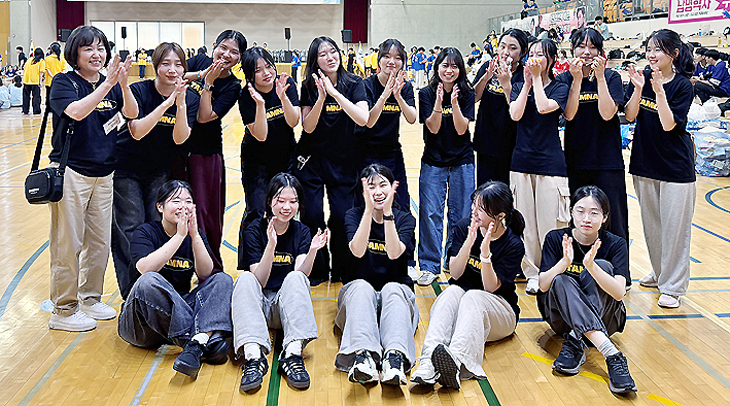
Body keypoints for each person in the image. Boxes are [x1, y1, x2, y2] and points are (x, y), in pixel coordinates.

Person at [47, 25, 138, 332]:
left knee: (99, 241)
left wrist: (122, 84)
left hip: (104, 173)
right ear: (75, 53)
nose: (96, 54)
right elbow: (75, 112)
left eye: (100, 48)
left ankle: (89, 297)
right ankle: (63, 309)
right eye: (88, 48)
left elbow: (131, 113)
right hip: (72, 172)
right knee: (68, 243)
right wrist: (107, 84)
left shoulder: (111, 84)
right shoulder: (64, 82)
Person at [411, 181, 525, 389]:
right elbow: (455, 273)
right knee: (450, 292)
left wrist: (485, 255)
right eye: (474, 204)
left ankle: (455, 362)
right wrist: (469, 242)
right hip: (465, 306)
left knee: (473, 296)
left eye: (481, 208)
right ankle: (428, 362)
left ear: (499, 215)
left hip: (501, 311)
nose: (474, 210)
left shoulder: (513, 244)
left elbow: (490, 288)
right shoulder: (464, 227)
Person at [118, 180, 233, 379]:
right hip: (142, 321)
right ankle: (205, 338)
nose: (183, 206)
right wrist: (179, 237)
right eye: (176, 200)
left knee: (222, 280)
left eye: (188, 201)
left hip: (178, 313)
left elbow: (205, 272)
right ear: (160, 207)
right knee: (149, 281)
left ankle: (195, 345)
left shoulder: (194, 235)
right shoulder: (145, 232)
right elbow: (145, 269)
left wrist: (194, 235)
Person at [112, 42, 201, 299]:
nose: (172, 70)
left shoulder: (190, 97)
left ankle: (154, 289)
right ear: (155, 66)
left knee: (156, 226)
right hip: (126, 167)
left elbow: (180, 138)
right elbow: (137, 131)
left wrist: (180, 105)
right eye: (166, 64)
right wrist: (165, 104)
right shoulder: (140, 90)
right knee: (130, 228)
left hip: (159, 170)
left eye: (178, 64)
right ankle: (132, 292)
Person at [537, 185, 637, 394]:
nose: (586, 219)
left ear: (605, 217)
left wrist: (592, 267)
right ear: (571, 212)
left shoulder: (616, 244)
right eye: (580, 211)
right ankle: (611, 354)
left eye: (594, 213)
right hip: (562, 320)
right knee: (560, 280)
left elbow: (619, 293)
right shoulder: (556, 239)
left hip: (606, 319)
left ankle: (575, 339)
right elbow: (543, 285)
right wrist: (564, 263)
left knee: (604, 267)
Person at [233, 173, 328, 391]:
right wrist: (271, 246)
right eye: (281, 200)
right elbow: (260, 279)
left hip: (284, 311)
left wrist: (313, 251)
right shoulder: (254, 230)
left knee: (296, 277)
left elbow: (301, 275)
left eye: (293, 201)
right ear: (269, 201)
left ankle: (292, 354)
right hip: (257, 311)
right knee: (245, 278)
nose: (287, 207)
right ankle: (253, 357)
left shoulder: (302, 231)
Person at [624, 29, 695, 308]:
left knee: (675, 230)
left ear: (674, 54)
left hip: (676, 168)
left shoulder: (683, 86)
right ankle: (660, 272)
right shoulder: (643, 77)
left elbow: (668, 124)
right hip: (644, 162)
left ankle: (673, 287)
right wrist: (638, 88)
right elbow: (630, 115)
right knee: (652, 226)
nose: (651, 55)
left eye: (658, 49)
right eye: (649, 49)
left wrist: (658, 92)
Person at [293, 36, 368, 285]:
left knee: (342, 216)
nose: (330, 57)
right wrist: (322, 98)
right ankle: (317, 269)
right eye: (323, 54)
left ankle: (341, 269)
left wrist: (335, 93)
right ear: (315, 61)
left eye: (333, 51)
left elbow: (363, 118)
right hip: (312, 161)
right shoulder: (308, 86)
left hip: (343, 161)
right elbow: (308, 126)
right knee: (313, 215)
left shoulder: (354, 83)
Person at [337, 164, 417, 386]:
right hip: (359, 298)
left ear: (393, 188)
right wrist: (369, 211)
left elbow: (394, 253)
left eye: (383, 185)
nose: (378, 191)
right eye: (371, 186)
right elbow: (357, 250)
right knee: (362, 286)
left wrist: (387, 215)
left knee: (392, 288)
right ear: (363, 191)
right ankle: (364, 357)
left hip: (396, 296)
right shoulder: (353, 215)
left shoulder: (405, 219)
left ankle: (394, 359)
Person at [176, 30, 247, 271]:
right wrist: (201, 74)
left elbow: (205, 116)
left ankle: (210, 270)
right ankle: (178, 268)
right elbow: (174, 77)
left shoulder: (233, 86)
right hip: (176, 147)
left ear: (239, 58)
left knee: (206, 213)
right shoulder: (198, 61)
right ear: (214, 45)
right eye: (223, 48)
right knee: (175, 209)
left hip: (205, 153)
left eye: (234, 52)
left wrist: (207, 84)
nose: (226, 55)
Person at [558, 28, 629, 254]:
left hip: (608, 161)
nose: (587, 52)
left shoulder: (611, 77)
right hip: (576, 160)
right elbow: (568, 114)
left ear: (600, 51)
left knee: (614, 219)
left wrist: (599, 77)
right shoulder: (565, 79)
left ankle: (619, 268)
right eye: (581, 47)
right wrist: (577, 80)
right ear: (573, 50)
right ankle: (578, 263)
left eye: (592, 47)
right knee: (579, 219)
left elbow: (608, 113)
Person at [509, 38, 570, 295]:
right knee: (525, 224)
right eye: (532, 53)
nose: (535, 57)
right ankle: (532, 273)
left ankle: (551, 273)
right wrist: (527, 83)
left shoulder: (560, 86)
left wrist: (536, 79)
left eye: (541, 54)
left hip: (550, 164)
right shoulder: (518, 86)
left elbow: (545, 107)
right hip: (521, 162)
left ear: (551, 60)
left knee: (550, 223)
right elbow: (515, 114)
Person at [417, 47, 475, 286]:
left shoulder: (467, 93)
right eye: (445, 65)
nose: (449, 70)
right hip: (433, 161)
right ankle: (429, 265)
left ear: (460, 69)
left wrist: (455, 103)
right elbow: (433, 127)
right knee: (430, 213)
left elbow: (461, 129)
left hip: (462, 161)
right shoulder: (425, 93)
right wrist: (440, 101)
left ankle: (454, 260)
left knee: (461, 214)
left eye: (454, 66)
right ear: (437, 68)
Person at [237, 46, 301, 253]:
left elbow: (293, 121)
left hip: (285, 156)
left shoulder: (286, 84)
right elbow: (261, 135)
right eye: (258, 70)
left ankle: (283, 256)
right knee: (256, 210)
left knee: (286, 208)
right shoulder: (246, 95)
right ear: (250, 75)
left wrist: (283, 97)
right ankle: (250, 260)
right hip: (256, 161)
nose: (266, 73)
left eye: (268, 66)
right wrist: (260, 105)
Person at [472, 28, 528, 186]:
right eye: (502, 46)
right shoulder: (488, 66)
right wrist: (486, 77)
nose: (506, 52)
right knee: (485, 190)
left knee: (507, 191)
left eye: (512, 48)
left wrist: (506, 83)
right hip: (486, 141)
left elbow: (520, 110)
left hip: (512, 144)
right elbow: (474, 97)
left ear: (523, 52)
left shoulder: (524, 75)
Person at [22, 48, 45, 114]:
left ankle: (25, 110)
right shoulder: (41, 61)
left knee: (26, 96)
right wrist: (40, 82)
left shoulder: (29, 59)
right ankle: (36, 110)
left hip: (27, 80)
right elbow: (41, 73)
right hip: (35, 80)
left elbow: (24, 69)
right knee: (36, 96)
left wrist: (23, 79)